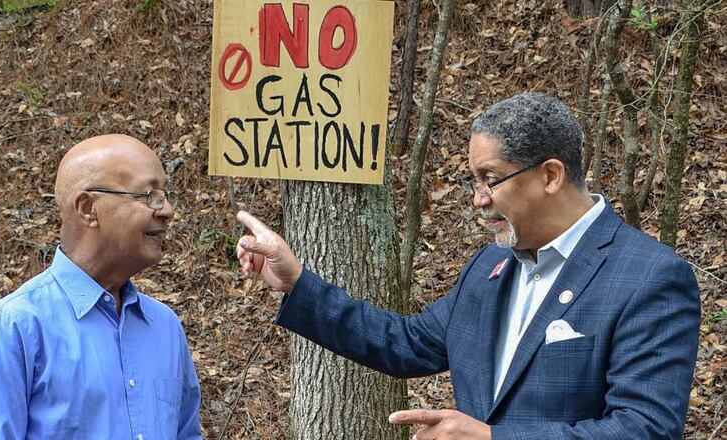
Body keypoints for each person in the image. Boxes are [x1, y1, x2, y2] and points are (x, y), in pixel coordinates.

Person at [235, 92, 700, 440]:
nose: (478, 200)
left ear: (550, 176)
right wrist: (296, 281)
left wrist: (494, 439)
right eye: (474, 181)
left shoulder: (649, 277)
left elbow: (645, 429)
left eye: (491, 179)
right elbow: (405, 342)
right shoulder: (490, 266)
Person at [0, 134, 203, 439]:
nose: (167, 210)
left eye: (166, 195)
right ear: (88, 208)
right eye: (149, 194)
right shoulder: (14, 328)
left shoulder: (164, 327)